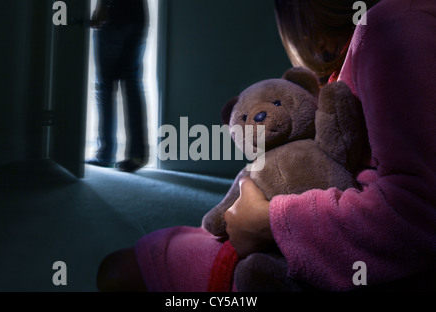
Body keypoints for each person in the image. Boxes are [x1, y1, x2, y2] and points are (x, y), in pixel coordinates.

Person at [97, 0, 436, 291]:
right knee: (149, 252)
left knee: (117, 273)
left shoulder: (391, 26)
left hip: (308, 244)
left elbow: (417, 215)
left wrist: (267, 223)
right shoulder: (375, 38)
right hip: (302, 229)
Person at [86, 0, 150, 173]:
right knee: (132, 85)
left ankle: (106, 153)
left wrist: (101, 8)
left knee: (106, 87)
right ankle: (137, 154)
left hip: (114, 14)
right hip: (138, 15)